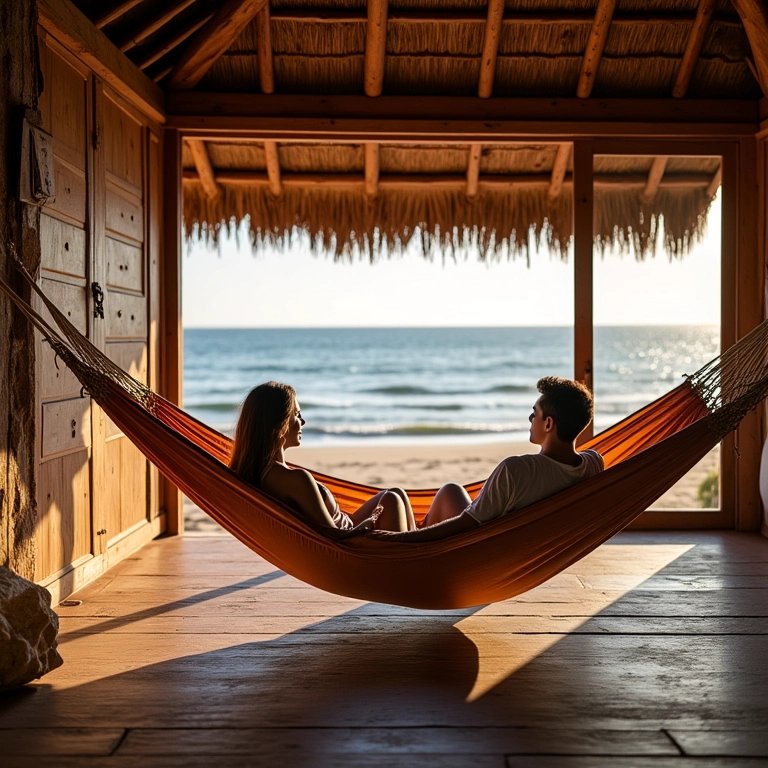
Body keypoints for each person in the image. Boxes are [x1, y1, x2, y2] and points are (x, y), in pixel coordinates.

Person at [379, 376, 604, 542]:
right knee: (449, 491)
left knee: (390, 499)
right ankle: (409, 531)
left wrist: (400, 541)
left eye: (534, 413)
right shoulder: (593, 464)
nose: (530, 419)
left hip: (473, 551)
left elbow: (468, 524)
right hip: (513, 551)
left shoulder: (517, 470)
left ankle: (348, 533)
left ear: (548, 424)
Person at [230, 381, 416, 537]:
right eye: (296, 414)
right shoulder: (295, 479)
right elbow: (335, 538)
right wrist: (367, 525)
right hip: (352, 541)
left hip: (348, 524)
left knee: (395, 493)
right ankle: (411, 564)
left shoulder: (257, 474)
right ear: (279, 424)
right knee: (392, 499)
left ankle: (419, 553)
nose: (303, 421)